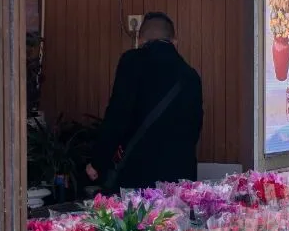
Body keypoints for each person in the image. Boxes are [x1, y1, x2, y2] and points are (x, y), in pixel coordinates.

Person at [86, 12, 203, 191]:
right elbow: (195, 128)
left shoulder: (132, 62)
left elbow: (117, 116)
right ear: (175, 42)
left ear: (140, 41)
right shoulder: (191, 76)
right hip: (180, 178)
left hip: (138, 176)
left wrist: (98, 161)